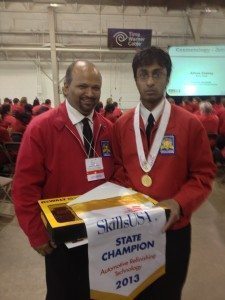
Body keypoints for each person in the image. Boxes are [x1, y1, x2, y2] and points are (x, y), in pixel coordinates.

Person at [112, 47, 216, 300]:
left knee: (168, 294)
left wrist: (179, 203)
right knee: (133, 293)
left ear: (168, 77)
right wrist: (131, 200)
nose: (150, 81)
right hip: (132, 230)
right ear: (135, 79)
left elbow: (203, 175)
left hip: (175, 230)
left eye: (157, 74)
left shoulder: (190, 125)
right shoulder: (121, 125)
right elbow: (117, 170)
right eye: (143, 74)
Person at [13, 60, 114, 300]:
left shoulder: (108, 128)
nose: (90, 94)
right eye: (82, 86)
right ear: (65, 88)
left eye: (96, 87)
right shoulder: (41, 128)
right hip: (62, 238)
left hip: (102, 235)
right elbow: (25, 187)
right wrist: (36, 234)